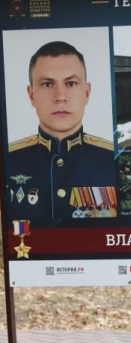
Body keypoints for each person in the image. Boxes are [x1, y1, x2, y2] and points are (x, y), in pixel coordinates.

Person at [5, 40, 117, 228]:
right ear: (31, 95)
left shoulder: (114, 160)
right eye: (47, 84)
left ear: (87, 92)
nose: (60, 96)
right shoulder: (8, 160)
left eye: (71, 83)